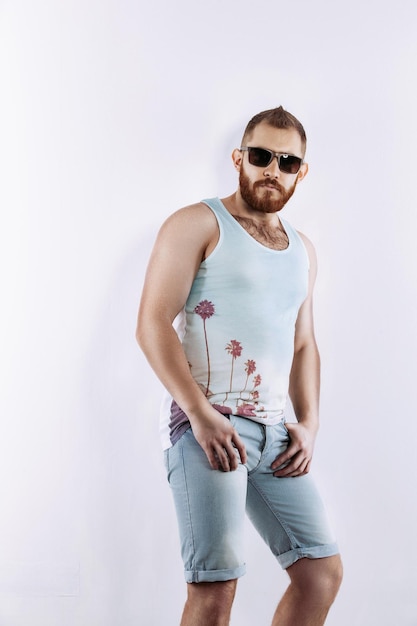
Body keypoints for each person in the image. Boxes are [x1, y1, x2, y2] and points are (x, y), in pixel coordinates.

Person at [136, 106, 343, 626]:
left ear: (302, 171)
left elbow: (303, 344)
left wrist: (310, 424)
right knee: (216, 588)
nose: (273, 169)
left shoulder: (303, 251)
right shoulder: (197, 223)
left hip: (276, 434)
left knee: (321, 571)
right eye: (260, 156)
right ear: (238, 159)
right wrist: (199, 414)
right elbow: (153, 322)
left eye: (287, 161)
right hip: (207, 426)